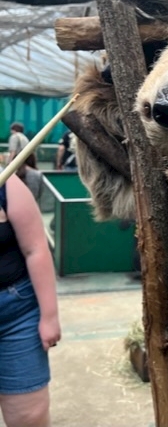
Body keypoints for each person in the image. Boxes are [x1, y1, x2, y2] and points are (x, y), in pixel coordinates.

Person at [0, 174, 61, 427]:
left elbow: (36, 248)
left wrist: (49, 316)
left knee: (29, 415)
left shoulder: (6, 181)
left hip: (16, 313)